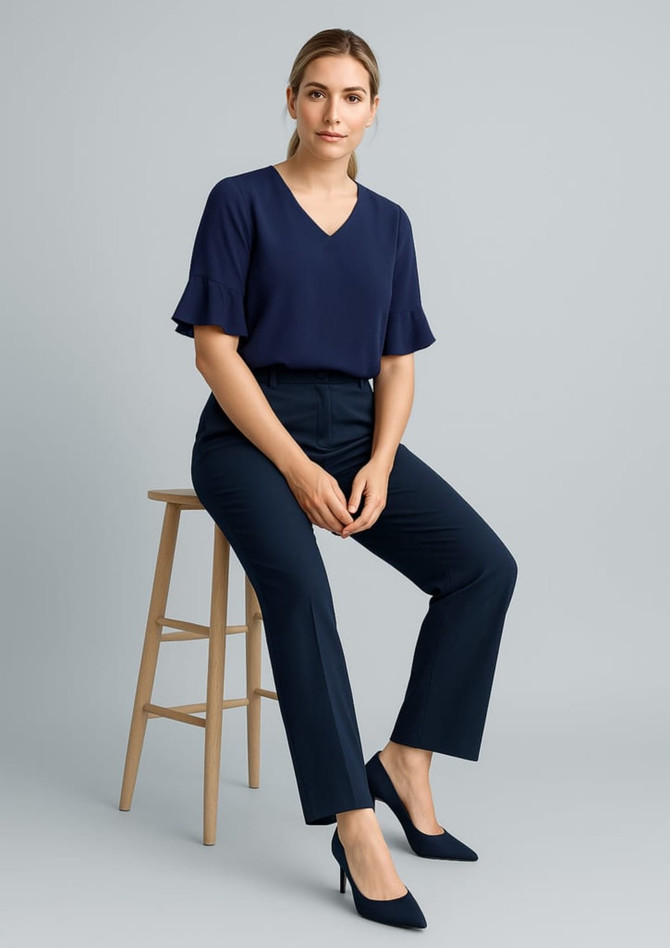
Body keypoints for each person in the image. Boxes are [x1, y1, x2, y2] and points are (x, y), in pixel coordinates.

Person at [169, 27, 518, 929]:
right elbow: (214, 353)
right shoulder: (240, 201)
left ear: (373, 110)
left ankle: (406, 761)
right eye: (318, 93)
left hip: (357, 428)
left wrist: (379, 463)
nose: (334, 112)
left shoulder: (390, 223)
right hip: (249, 434)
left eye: (352, 96)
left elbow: (397, 364)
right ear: (291, 101)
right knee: (302, 588)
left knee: (483, 569)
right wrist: (295, 468)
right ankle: (354, 826)